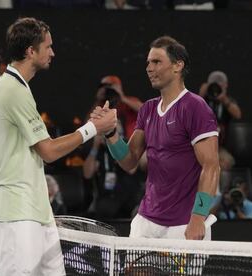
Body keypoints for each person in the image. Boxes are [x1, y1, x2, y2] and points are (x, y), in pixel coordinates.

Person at [0, 17, 117, 276]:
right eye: (48, 46)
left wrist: (93, 126)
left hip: (36, 212)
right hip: (16, 213)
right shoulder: (11, 89)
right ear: (30, 51)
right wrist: (93, 129)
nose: (53, 52)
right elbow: (48, 151)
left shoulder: (19, 89)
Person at [94, 36, 220, 240]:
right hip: (147, 220)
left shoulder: (196, 107)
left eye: (156, 62)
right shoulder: (148, 109)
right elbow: (129, 161)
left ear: (178, 65)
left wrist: (198, 217)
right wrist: (111, 134)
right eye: (148, 63)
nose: (149, 68)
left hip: (184, 224)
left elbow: (212, 166)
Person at [83, 135, 141, 219]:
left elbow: (132, 169)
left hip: (128, 197)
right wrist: (95, 146)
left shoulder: (125, 143)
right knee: (103, 207)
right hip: (106, 198)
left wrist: (116, 148)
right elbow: (87, 174)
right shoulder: (98, 149)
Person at [199, 70, 241, 169]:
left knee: (226, 162)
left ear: (225, 86)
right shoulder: (202, 101)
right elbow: (190, 113)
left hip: (219, 148)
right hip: (200, 145)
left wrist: (224, 99)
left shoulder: (227, 101)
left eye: (220, 85)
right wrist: (200, 95)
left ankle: (217, 184)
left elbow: (238, 114)